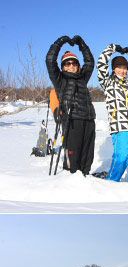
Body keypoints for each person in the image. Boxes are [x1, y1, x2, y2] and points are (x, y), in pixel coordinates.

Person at [97, 45, 128, 189]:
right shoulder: (108, 83)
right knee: (122, 157)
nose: (123, 70)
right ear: (113, 68)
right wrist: (112, 49)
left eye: (125, 67)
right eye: (119, 67)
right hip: (120, 126)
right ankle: (112, 183)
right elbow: (101, 64)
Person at [46, 36, 95, 174]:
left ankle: (86, 179)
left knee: (87, 156)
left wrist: (82, 45)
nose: (71, 66)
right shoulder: (60, 80)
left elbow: (90, 62)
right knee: (73, 157)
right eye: (67, 64)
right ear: (62, 67)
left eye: (74, 63)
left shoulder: (83, 78)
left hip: (89, 119)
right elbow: (50, 61)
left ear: (78, 66)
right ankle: (70, 180)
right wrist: (60, 42)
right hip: (72, 121)